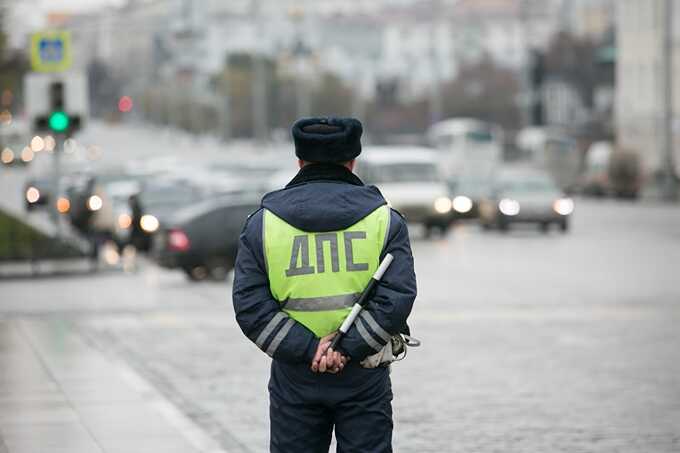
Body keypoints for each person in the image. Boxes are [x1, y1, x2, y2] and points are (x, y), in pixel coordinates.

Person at [232, 117, 417, 453]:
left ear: (300, 161)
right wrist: (345, 348)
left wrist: (308, 349)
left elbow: (250, 304)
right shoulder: (384, 220)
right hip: (363, 371)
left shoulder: (263, 224)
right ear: (352, 161)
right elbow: (397, 297)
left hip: (295, 373)